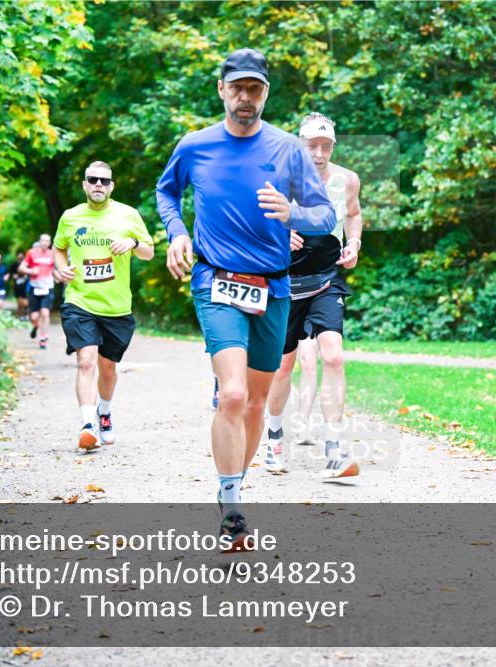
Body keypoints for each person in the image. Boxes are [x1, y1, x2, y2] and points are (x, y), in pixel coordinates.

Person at [156, 48, 335, 549]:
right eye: (236, 87)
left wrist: (293, 214)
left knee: (257, 401)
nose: (244, 97)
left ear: (265, 94)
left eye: (254, 88)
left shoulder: (288, 150)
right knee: (232, 394)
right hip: (215, 280)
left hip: (273, 286)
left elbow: (325, 215)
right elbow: (166, 192)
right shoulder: (195, 146)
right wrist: (176, 233)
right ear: (221, 90)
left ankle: (232, 487)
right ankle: (233, 508)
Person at [264, 112, 363, 480]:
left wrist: (354, 243)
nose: (319, 154)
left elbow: (353, 214)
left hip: (326, 279)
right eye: (312, 147)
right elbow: (251, 221)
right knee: (283, 366)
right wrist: (277, 235)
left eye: (326, 146)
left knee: (333, 357)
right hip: (285, 283)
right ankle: (274, 437)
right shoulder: (278, 179)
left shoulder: (347, 179)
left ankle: (334, 448)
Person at [52, 161, 154, 450]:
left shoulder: (128, 214)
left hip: (116, 307)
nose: (99, 184)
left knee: (108, 368)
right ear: (85, 184)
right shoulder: (70, 217)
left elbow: (149, 252)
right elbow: (58, 248)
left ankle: (104, 413)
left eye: (104, 181)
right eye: (93, 179)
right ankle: (88, 426)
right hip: (80, 301)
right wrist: (61, 268)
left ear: (112, 186)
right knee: (86, 361)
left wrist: (132, 243)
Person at [20, 234, 56, 349]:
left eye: (47, 241)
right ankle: (36, 326)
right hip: (35, 287)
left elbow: (55, 269)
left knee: (45, 313)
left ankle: (43, 338)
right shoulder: (31, 253)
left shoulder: (52, 254)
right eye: (43, 241)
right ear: (39, 241)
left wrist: (59, 277)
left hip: (48, 287)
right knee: (34, 317)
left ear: (50, 243)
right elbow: (21, 268)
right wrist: (30, 271)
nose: (44, 243)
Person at [10, 251, 29, 320]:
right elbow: (10, 274)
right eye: (19, 255)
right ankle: (20, 315)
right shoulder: (14, 265)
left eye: (21, 255)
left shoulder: (27, 264)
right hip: (17, 285)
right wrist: (13, 276)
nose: (20, 257)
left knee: (26, 301)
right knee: (19, 301)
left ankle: (26, 314)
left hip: (26, 285)